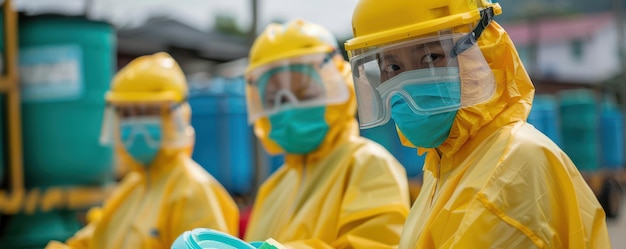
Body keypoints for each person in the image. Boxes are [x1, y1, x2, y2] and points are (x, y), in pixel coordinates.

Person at [344, 0, 611, 248]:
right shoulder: (446, 167)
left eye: (430, 58)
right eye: (392, 67)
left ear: (482, 52)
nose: (406, 85)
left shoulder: (511, 164)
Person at [243, 19, 411, 248]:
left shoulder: (367, 164)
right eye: (274, 99)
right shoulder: (272, 188)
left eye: (304, 93)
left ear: (337, 86)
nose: (289, 108)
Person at [46, 52, 239, 249]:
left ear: (175, 117)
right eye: (127, 113)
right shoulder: (130, 190)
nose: (136, 125)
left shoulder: (195, 193)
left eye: (148, 111)